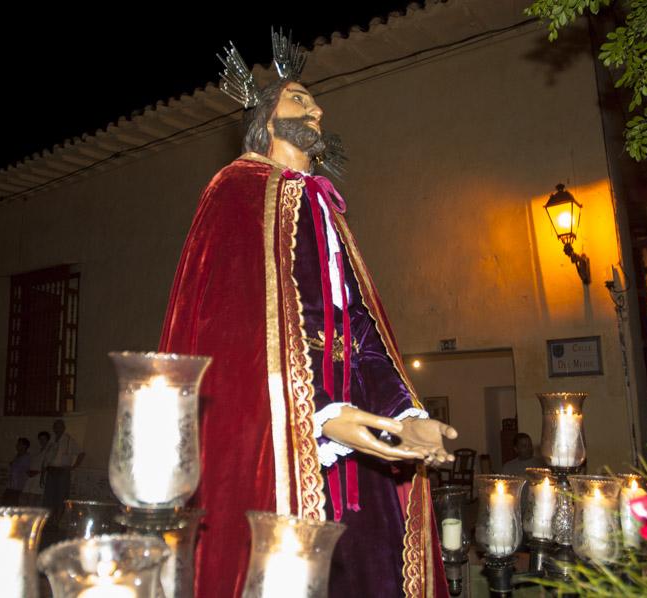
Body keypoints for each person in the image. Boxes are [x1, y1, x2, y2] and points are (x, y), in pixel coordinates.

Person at [160, 32, 456, 597]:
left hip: (361, 448)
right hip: (278, 438)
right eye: (298, 99)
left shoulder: (324, 208)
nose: (317, 108)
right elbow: (239, 329)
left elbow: (361, 331)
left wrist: (405, 413)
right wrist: (320, 416)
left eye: (315, 101)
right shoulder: (235, 192)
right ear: (264, 118)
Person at [42, 420, 84, 520]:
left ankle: (57, 520)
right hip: (51, 471)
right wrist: (43, 472)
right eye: (55, 426)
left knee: (61, 497)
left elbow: (81, 453)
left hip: (62, 471)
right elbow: (46, 458)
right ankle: (49, 520)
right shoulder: (51, 440)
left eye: (59, 426)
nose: (57, 428)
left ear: (64, 428)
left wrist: (73, 466)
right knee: (49, 497)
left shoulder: (69, 440)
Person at [22, 431, 50, 506]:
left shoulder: (49, 451)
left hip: (39, 476)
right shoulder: (37, 450)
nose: (42, 441)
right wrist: (29, 471)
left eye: (44, 439)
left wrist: (38, 472)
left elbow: (48, 465)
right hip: (31, 476)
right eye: (40, 439)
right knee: (26, 497)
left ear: (48, 440)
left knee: (33, 499)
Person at [2, 437, 31, 506]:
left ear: (24, 446)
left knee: (12, 503)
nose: (17, 446)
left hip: (17, 486)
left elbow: (22, 470)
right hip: (11, 485)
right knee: (6, 503)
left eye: (19, 444)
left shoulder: (26, 457)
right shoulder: (17, 456)